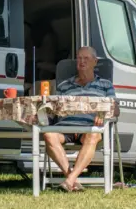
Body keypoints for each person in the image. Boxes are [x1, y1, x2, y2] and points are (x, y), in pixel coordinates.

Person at [43, 46, 116, 192]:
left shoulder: (105, 85)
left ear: (95, 62)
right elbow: (54, 109)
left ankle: (69, 180)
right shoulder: (64, 86)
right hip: (65, 127)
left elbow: (116, 109)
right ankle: (72, 180)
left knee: (94, 135)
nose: (81, 61)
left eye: (86, 58)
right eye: (79, 58)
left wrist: (103, 114)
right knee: (48, 135)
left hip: (90, 127)